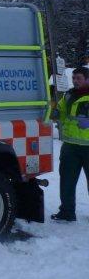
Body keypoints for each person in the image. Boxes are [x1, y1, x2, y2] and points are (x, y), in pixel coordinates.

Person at [51, 66, 89, 222]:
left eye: (78, 78)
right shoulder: (68, 96)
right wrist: (55, 113)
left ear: (87, 79)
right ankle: (67, 212)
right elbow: (60, 111)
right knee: (67, 180)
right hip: (70, 146)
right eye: (73, 78)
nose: (75, 81)